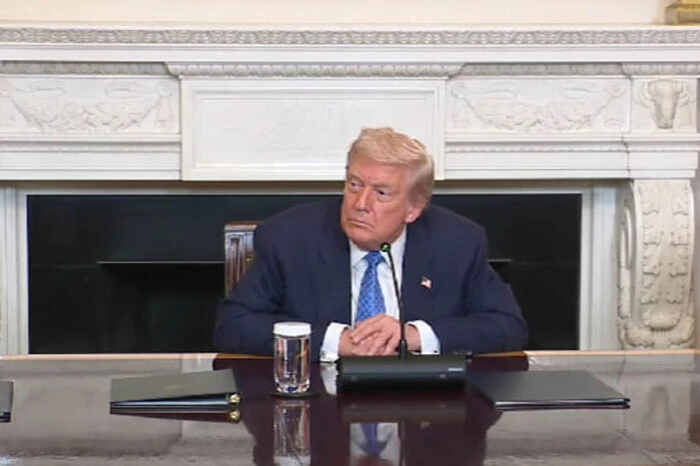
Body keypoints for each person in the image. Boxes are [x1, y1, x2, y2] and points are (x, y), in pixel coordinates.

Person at [213, 127, 528, 361]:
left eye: (381, 193)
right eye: (354, 185)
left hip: (423, 411)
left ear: (413, 209)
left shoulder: (457, 241)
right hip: (319, 410)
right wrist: (336, 340)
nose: (360, 204)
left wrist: (412, 335)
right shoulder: (289, 237)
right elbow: (234, 326)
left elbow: (508, 326)